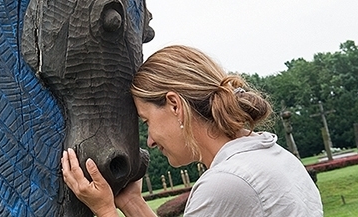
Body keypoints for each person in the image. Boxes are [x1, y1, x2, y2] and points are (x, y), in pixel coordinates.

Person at [61, 45, 323, 216]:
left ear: (175, 105)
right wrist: (132, 204)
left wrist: (105, 211)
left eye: (146, 122)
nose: (150, 141)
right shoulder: (276, 158)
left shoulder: (228, 182)